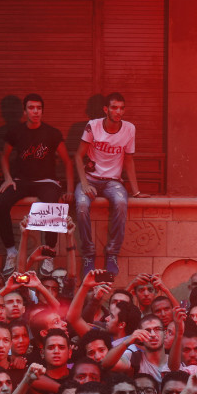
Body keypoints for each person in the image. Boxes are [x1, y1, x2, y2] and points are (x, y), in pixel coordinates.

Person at [0, 93, 74, 274]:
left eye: (38, 108)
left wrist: (69, 189)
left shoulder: (52, 133)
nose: (35, 111)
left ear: (42, 111)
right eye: (31, 108)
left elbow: (68, 162)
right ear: (25, 111)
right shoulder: (16, 132)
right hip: (22, 181)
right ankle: (11, 252)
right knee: (0, 203)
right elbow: (3, 156)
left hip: (47, 181)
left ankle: (48, 255)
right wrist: (7, 178)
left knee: (52, 205)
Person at [75, 92, 148, 275]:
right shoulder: (93, 126)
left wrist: (136, 191)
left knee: (122, 202)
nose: (118, 112)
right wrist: (83, 184)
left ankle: (112, 253)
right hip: (90, 179)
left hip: (112, 182)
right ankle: (88, 254)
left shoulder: (129, 129)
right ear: (106, 109)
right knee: (82, 205)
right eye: (114, 107)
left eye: (122, 108)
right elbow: (78, 156)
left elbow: (129, 160)